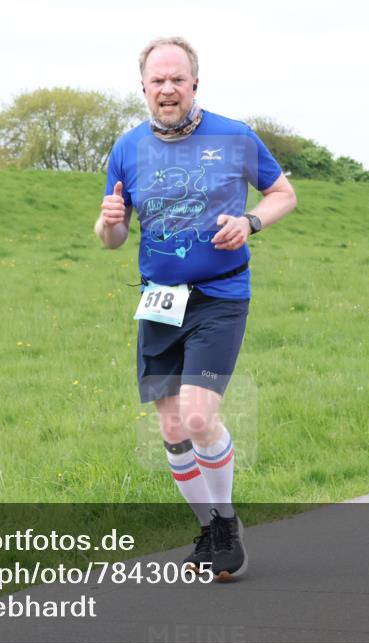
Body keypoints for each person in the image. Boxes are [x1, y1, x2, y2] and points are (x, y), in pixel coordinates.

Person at [94, 37, 296, 582]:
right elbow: (113, 238)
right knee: (171, 427)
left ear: (195, 84)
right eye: (157, 80)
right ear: (143, 87)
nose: (168, 89)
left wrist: (250, 222)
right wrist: (109, 222)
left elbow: (284, 194)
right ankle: (208, 527)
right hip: (159, 300)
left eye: (177, 79)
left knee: (200, 415)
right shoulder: (127, 148)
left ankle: (226, 522)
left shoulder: (235, 136)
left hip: (220, 295)